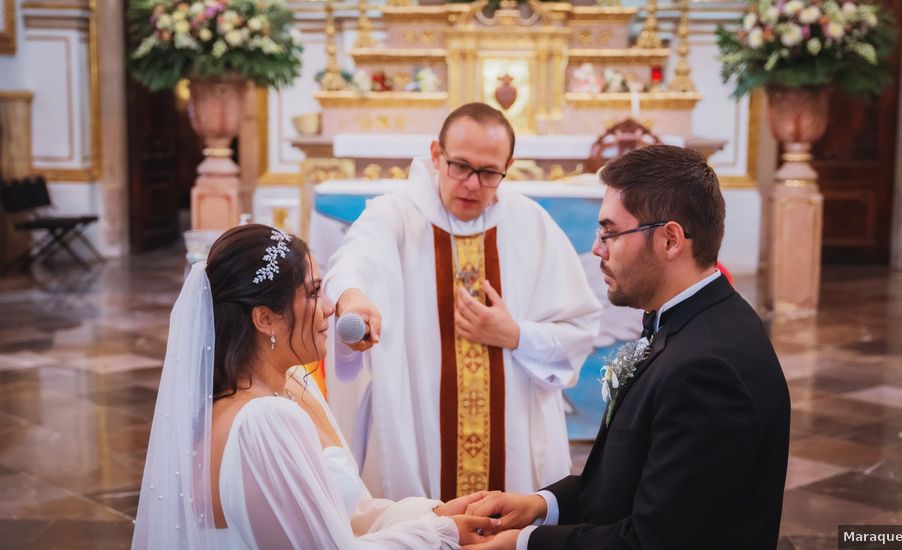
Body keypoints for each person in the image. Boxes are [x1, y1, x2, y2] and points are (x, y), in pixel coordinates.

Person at [463, 145, 791, 549]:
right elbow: (633, 476)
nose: (598, 248)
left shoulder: (707, 371)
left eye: (610, 232)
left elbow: (656, 541)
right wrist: (542, 505)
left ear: (670, 240)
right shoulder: (686, 319)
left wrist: (523, 544)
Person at [131, 224, 498, 549]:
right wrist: (442, 535)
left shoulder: (290, 385)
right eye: (313, 293)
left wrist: (433, 513)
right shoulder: (264, 421)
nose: (329, 308)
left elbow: (345, 516)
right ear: (265, 319)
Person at [324, 103, 602, 502]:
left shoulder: (532, 225)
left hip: (515, 431)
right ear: (436, 155)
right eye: (460, 166)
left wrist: (515, 335)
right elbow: (350, 264)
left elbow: (580, 328)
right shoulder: (393, 216)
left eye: (488, 173)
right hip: (419, 429)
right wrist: (352, 297)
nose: (472, 184)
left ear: (509, 165)